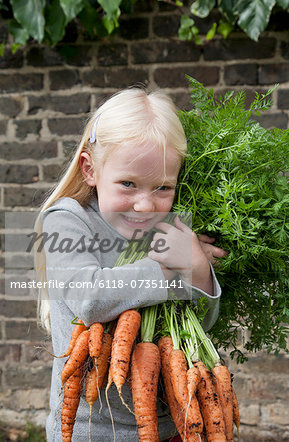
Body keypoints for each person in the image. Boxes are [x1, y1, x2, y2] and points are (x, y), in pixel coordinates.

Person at [34, 87, 226, 442]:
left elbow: (203, 321)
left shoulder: (170, 228)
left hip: (172, 424)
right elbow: (89, 298)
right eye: (128, 184)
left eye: (163, 188)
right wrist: (170, 269)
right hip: (88, 429)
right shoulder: (67, 220)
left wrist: (198, 269)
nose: (145, 206)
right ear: (90, 170)